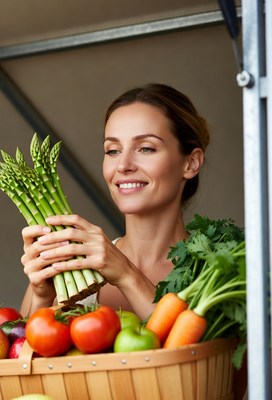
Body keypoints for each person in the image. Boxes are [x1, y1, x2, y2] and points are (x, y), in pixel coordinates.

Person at [19, 83, 209, 320]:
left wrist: (126, 274)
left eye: (146, 149)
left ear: (190, 163)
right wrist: (40, 295)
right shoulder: (76, 270)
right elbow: (20, 354)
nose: (123, 165)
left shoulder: (217, 268)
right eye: (112, 151)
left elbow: (191, 351)